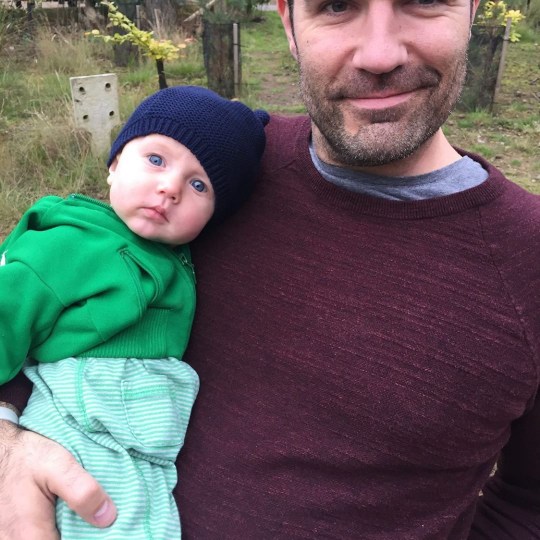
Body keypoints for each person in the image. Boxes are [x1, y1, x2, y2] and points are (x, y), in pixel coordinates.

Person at [1, 0, 540, 536]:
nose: (379, 54)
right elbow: (44, 288)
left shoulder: (527, 259)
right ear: (288, 21)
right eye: (336, 5)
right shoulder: (223, 162)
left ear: (471, 10)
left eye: (423, 0)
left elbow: (526, 506)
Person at [0, 85, 267, 539]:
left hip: (141, 449)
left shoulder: (172, 256)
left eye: (198, 184)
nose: (170, 187)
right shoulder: (75, 240)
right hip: (85, 425)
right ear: (114, 164)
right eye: (156, 160)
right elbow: (10, 308)